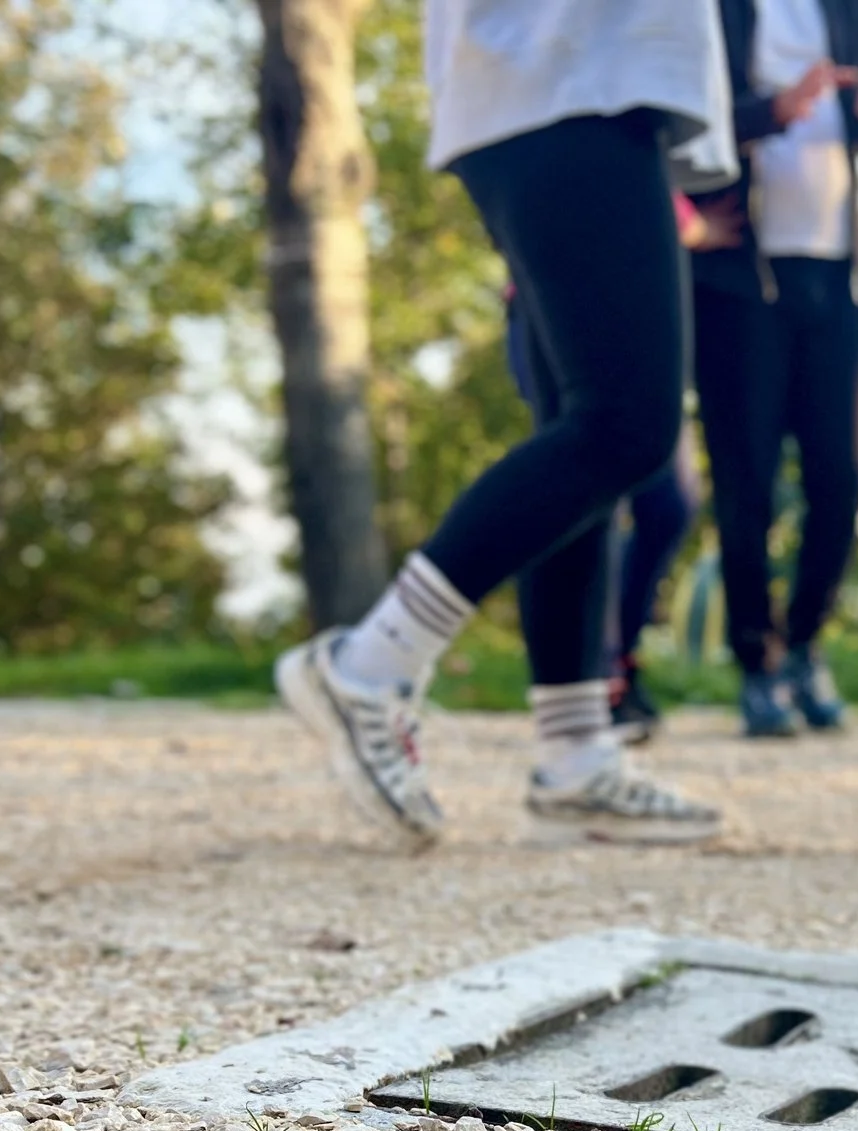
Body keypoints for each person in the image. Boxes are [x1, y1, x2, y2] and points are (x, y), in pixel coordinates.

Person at [276, 1, 733, 846]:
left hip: (554, 76)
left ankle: (575, 754)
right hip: (568, 71)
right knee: (626, 425)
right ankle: (368, 665)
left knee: (585, 424)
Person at [689, 0, 858, 739]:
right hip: (742, 279)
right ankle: (757, 661)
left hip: (838, 275)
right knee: (745, 479)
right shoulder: (715, 11)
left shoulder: (848, 12)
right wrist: (771, 111)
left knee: (845, 470)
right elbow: (691, 123)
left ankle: (806, 645)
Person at [500, 194, 738, 746]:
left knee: (672, 500)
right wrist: (691, 224)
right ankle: (590, 679)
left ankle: (618, 658)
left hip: (640, 306)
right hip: (556, 296)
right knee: (590, 496)